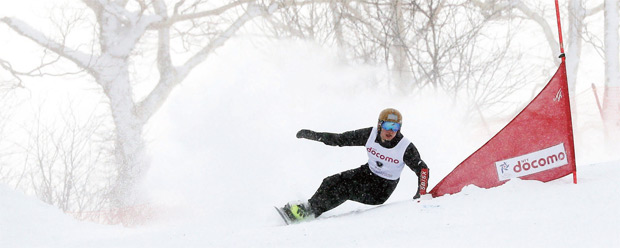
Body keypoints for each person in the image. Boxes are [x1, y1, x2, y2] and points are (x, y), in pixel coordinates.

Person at [281, 108, 430, 222]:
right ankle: (308, 208)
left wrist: (421, 192)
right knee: (330, 181)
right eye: (388, 125)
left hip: (382, 189)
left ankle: (309, 213)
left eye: (395, 127)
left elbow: (422, 169)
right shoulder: (369, 135)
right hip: (367, 173)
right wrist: (314, 135)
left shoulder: (405, 147)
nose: (391, 131)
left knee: (344, 190)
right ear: (379, 125)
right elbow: (340, 139)